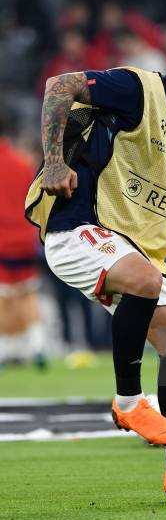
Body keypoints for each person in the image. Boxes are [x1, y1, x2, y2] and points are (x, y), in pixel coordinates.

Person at [25, 28, 166, 503]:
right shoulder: (137, 88)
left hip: (134, 250)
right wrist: (53, 163)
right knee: (145, 281)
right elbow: (59, 86)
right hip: (79, 228)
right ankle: (127, 402)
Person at [0, 118, 46, 367]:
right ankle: (37, 346)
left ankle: (6, 351)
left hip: (1, 241)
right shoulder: (23, 162)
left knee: (4, 297)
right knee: (28, 293)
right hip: (25, 239)